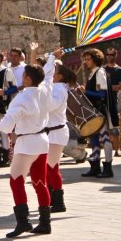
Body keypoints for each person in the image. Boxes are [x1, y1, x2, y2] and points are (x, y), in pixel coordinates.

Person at [0, 52, 55, 238]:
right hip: (42, 141)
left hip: (27, 143)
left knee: (16, 181)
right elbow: (49, 73)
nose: (21, 78)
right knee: (40, 182)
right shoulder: (45, 90)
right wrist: (52, 58)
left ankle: (23, 222)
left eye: (23, 75)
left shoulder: (21, 99)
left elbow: (8, 121)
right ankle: (45, 223)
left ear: (28, 79)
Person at [31, 44, 73, 213]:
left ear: (60, 76)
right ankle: (50, 197)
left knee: (51, 167)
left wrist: (52, 58)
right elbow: (39, 76)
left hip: (56, 132)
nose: (50, 74)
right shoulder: (53, 87)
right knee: (47, 167)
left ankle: (58, 201)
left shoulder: (60, 89)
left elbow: (49, 105)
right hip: (50, 132)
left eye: (54, 71)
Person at [79, 48, 114, 178]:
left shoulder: (100, 72)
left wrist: (85, 91)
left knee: (104, 137)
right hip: (92, 109)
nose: (86, 62)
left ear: (95, 59)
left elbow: (102, 94)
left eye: (88, 59)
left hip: (100, 109)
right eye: (85, 59)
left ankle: (108, 167)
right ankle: (95, 166)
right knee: (93, 137)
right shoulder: (92, 73)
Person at [104, 48, 121, 157]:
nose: (109, 56)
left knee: (115, 126)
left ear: (115, 55)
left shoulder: (119, 70)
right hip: (101, 101)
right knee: (102, 126)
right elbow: (97, 87)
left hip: (113, 101)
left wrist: (107, 87)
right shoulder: (102, 70)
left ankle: (117, 150)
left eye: (111, 55)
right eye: (107, 54)